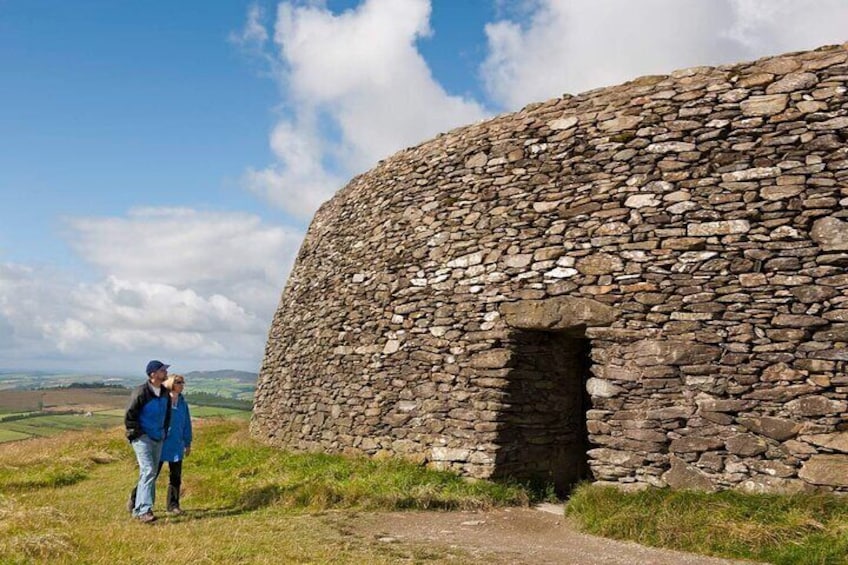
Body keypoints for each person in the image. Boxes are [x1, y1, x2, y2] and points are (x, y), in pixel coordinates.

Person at [125, 359, 172, 523]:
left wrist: (163, 432)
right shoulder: (141, 392)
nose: (165, 373)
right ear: (153, 374)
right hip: (142, 437)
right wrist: (137, 434)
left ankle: (140, 508)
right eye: (162, 370)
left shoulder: (165, 392)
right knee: (148, 470)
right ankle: (144, 510)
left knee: (151, 473)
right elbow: (130, 416)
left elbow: (167, 415)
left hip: (158, 436)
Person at [158, 374, 192, 515]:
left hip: (177, 444)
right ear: (171, 383)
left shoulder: (183, 403)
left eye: (182, 382)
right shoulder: (161, 401)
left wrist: (187, 442)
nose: (182, 385)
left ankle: (173, 505)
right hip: (160, 444)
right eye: (179, 382)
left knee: (176, 477)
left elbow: (186, 424)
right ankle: (136, 499)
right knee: (151, 475)